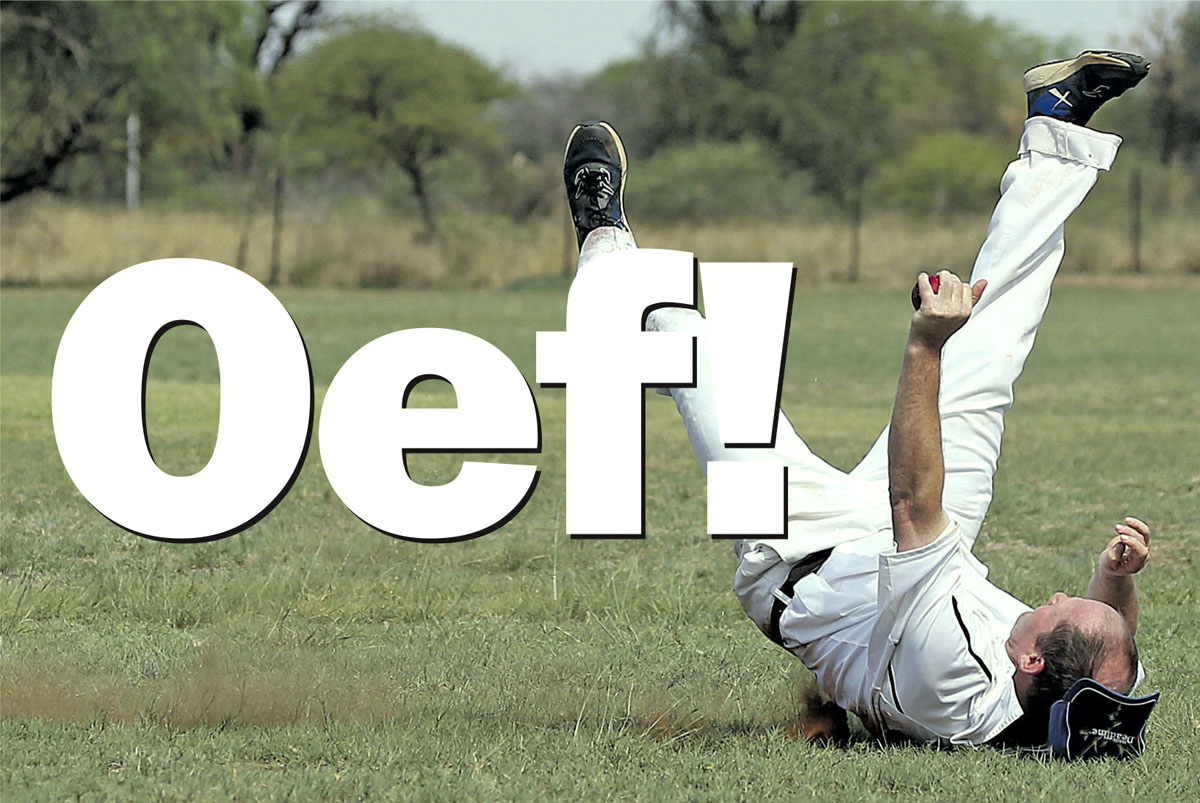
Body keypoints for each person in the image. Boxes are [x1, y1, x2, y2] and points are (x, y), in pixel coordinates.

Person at [561, 51, 1154, 749]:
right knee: (991, 345)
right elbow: (1109, 656)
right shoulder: (1063, 696)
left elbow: (911, 503)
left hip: (801, 548)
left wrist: (926, 344)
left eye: (1062, 607)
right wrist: (1113, 582)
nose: (1056, 594)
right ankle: (1057, 132)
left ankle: (604, 248)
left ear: (1028, 662)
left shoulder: (951, 672)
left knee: (694, 349)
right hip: (922, 551)